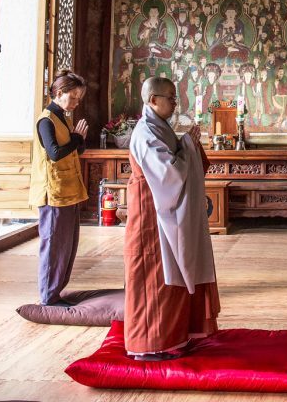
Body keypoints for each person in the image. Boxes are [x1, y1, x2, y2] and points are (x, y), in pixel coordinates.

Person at [124, 76, 219, 360]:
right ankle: (151, 343)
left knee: (171, 275)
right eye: (171, 97)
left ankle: (174, 336)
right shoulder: (146, 133)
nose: (175, 103)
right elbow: (169, 174)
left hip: (162, 209)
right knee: (154, 277)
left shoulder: (158, 127)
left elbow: (175, 162)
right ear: (153, 100)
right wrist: (188, 146)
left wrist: (186, 143)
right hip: (151, 214)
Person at [28, 69, 90, 306]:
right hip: (52, 192)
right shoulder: (46, 119)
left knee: (67, 245)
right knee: (53, 245)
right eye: (72, 97)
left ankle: (56, 292)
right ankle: (48, 296)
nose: (75, 103)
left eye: (78, 99)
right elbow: (54, 153)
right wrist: (76, 140)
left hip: (69, 189)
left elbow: (73, 150)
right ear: (59, 92)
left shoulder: (64, 118)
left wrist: (78, 141)